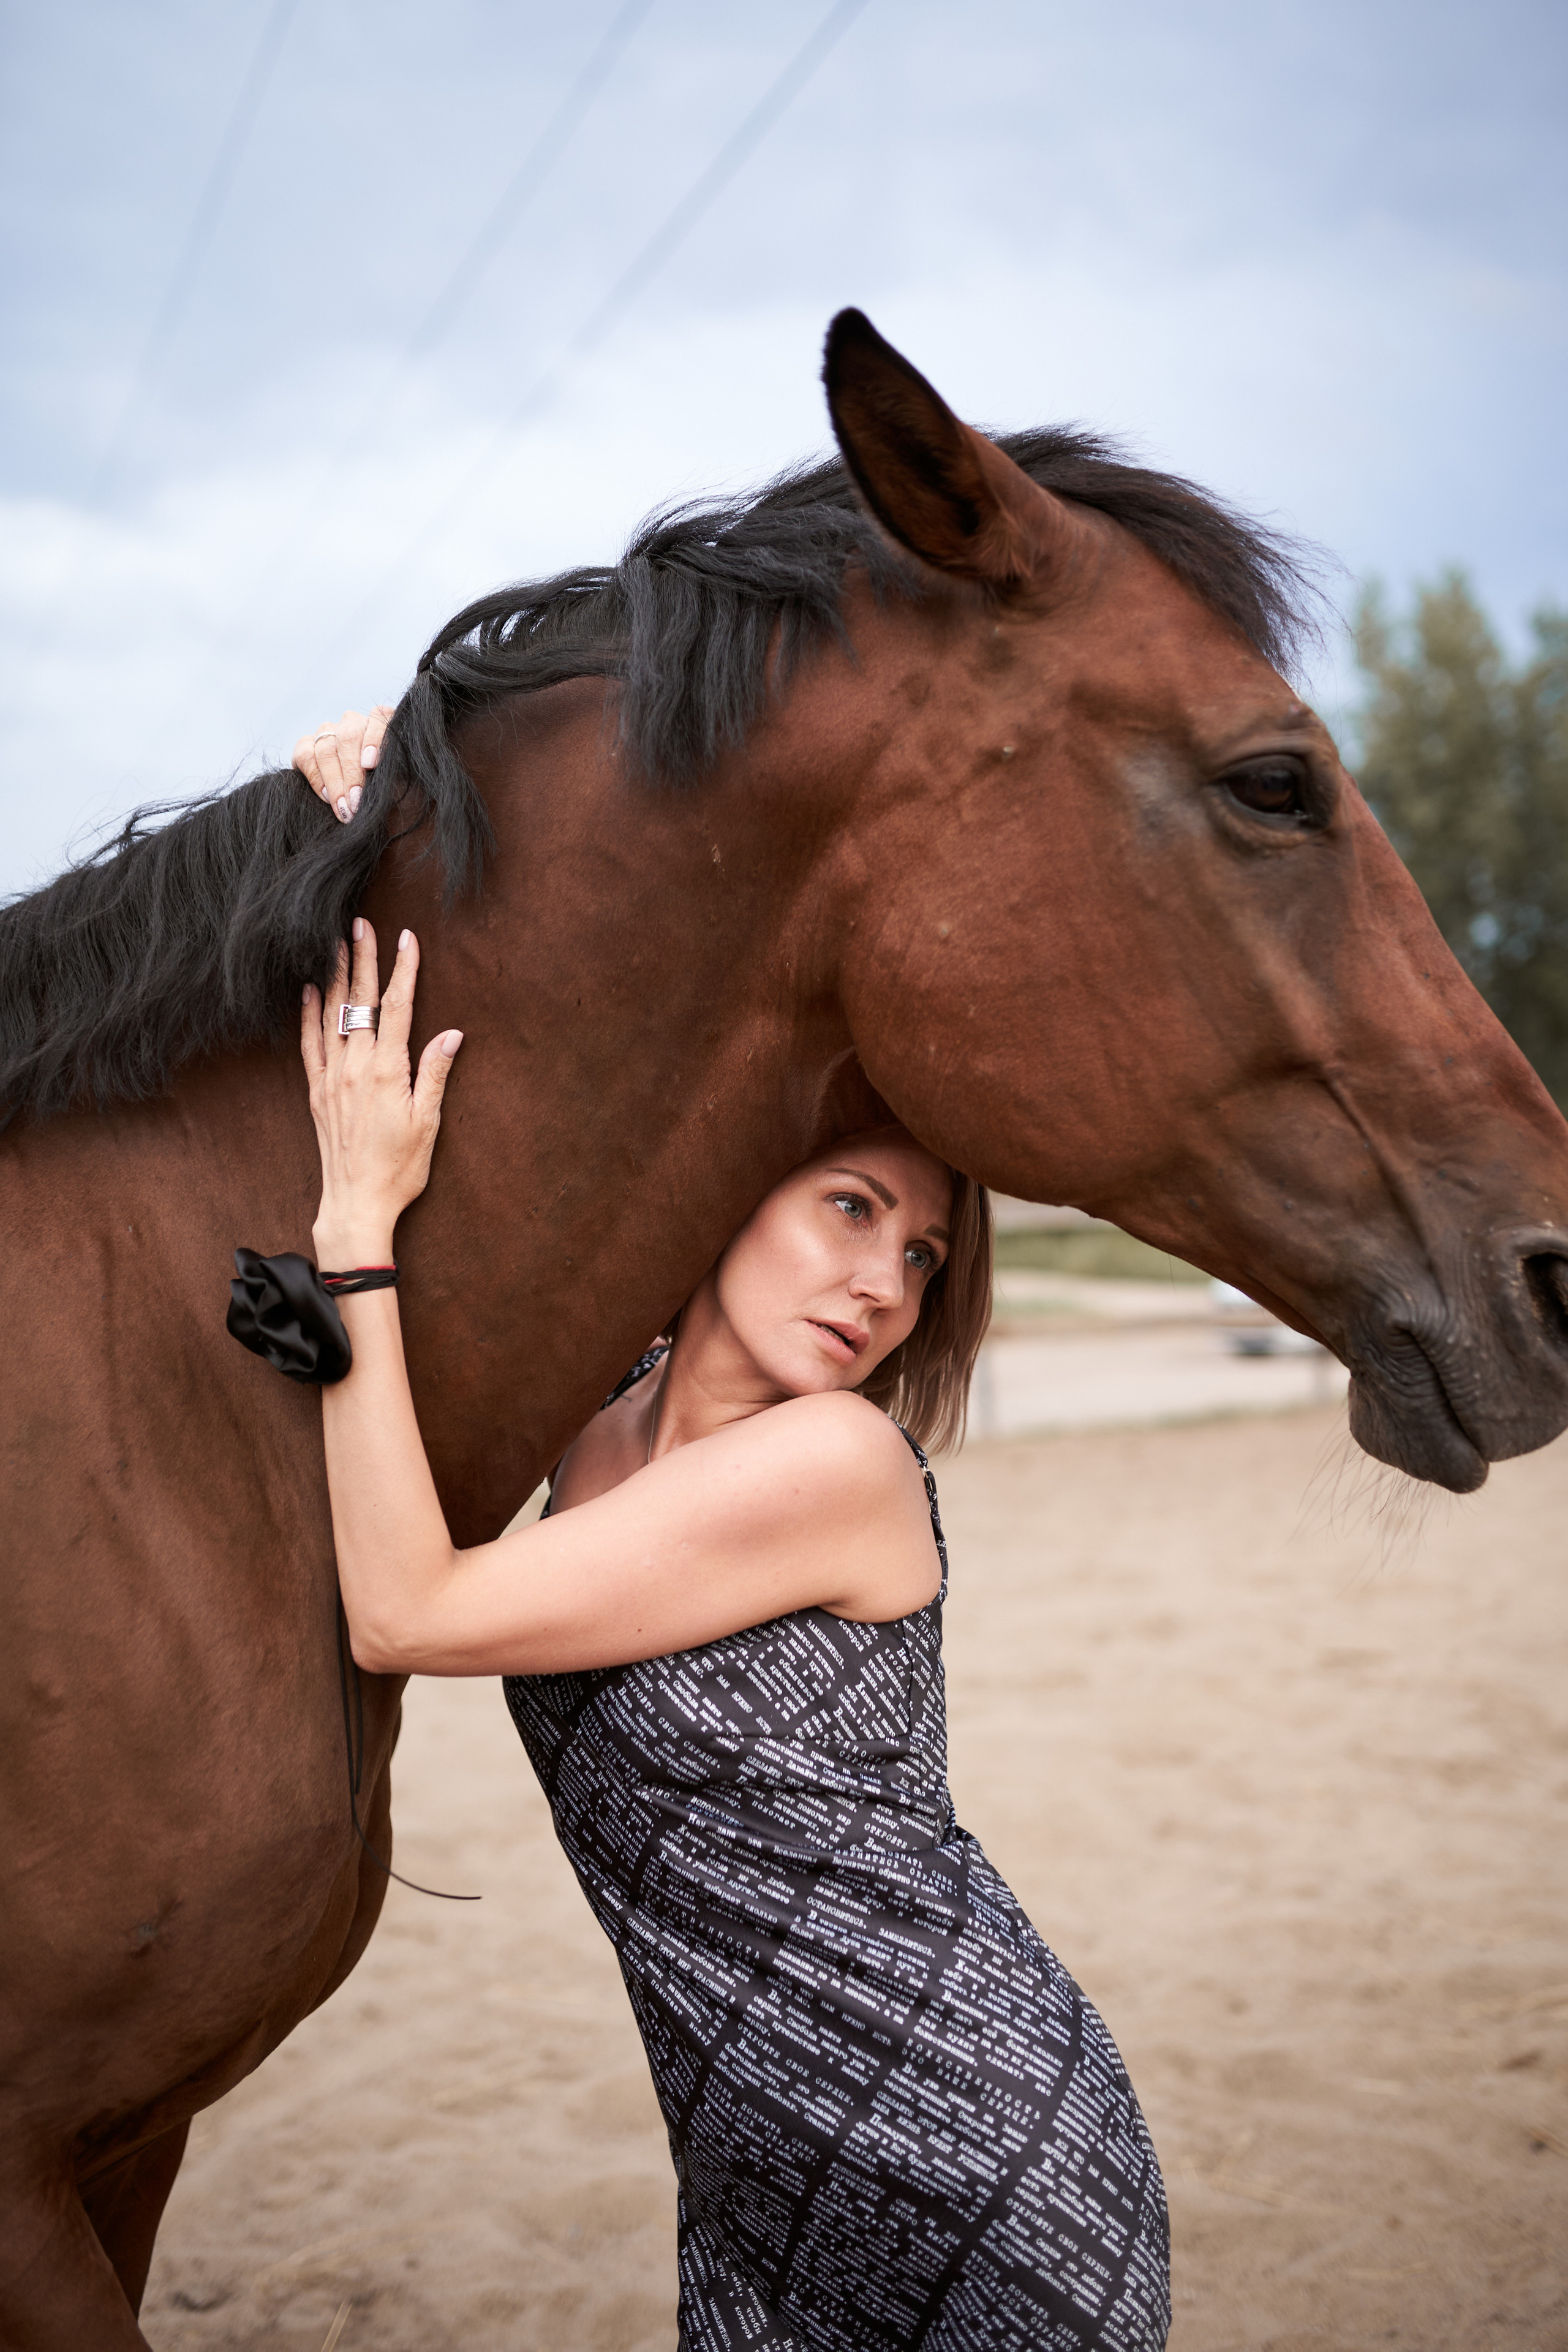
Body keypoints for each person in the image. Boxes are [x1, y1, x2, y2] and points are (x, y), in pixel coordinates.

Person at [291, 718, 1170, 2351]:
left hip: (973, 2170)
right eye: (852, 1206)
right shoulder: (598, 1406)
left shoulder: (841, 1466)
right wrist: (384, 836)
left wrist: (355, 1236)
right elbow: (573, 1071)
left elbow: (405, 1611)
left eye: (919, 1260)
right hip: (752, 2203)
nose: (879, 1285)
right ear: (740, 1190)